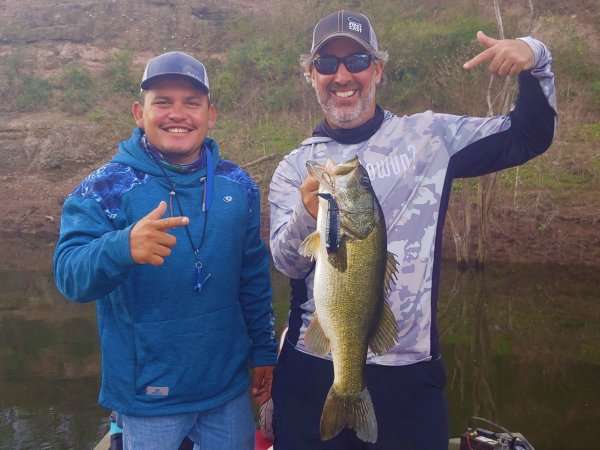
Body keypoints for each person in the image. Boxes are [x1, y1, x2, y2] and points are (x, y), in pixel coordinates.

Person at [269, 10, 556, 450]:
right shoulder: (293, 167)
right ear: (311, 75)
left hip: (409, 372)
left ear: (378, 70)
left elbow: (528, 136)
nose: (342, 75)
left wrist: (534, 57)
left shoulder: (430, 137)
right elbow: (286, 261)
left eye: (357, 62)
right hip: (311, 370)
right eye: (327, 64)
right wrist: (308, 215)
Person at [53, 51, 278, 450]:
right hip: (146, 400)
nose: (178, 114)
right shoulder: (106, 187)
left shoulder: (238, 184)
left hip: (226, 392)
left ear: (211, 115)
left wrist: (263, 348)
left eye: (192, 103)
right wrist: (122, 247)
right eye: (163, 102)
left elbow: (253, 276)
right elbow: (69, 275)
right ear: (139, 113)